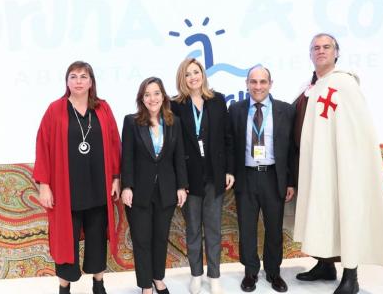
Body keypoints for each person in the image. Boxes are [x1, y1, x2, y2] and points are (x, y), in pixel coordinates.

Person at [292, 33, 383, 294]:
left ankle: (351, 277)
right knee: (322, 214)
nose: (321, 51)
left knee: (345, 213)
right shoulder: (312, 85)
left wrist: (349, 163)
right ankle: (325, 265)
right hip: (318, 165)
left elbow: (358, 128)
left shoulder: (344, 84)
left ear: (336, 53)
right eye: (315, 47)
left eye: (326, 47)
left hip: (341, 164)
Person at [33, 61, 121, 294]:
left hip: (98, 189)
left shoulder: (103, 108)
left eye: (84, 76)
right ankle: (64, 286)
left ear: (91, 82)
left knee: (97, 239)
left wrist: (115, 177)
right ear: (67, 82)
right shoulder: (55, 109)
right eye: (73, 76)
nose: (79, 81)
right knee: (65, 241)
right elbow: (43, 146)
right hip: (66, 192)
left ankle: (98, 283)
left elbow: (114, 144)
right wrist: (44, 184)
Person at [227, 65, 295, 293]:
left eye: (262, 82)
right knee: (246, 229)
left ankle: (274, 272)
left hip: (273, 176)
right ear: (247, 84)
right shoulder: (235, 109)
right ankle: (250, 272)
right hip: (246, 177)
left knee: (274, 229)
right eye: (253, 82)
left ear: (270, 84)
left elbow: (292, 150)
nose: (258, 86)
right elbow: (229, 145)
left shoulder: (285, 110)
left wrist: (291, 182)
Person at [170, 58, 233, 294]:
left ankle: (214, 276)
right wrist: (180, 181)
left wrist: (229, 170)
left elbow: (227, 139)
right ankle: (196, 274)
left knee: (214, 229)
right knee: (193, 229)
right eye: (187, 74)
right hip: (189, 180)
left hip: (215, 177)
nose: (193, 77)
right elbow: (174, 147)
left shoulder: (217, 100)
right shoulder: (175, 105)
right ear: (182, 79)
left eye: (196, 72)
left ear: (203, 75)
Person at [121, 77, 188, 294]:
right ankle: (145, 286)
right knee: (142, 240)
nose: (152, 98)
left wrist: (181, 186)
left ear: (163, 96)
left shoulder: (173, 122)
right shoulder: (131, 122)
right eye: (147, 94)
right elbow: (127, 157)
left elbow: (179, 157)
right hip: (139, 192)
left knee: (160, 238)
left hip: (166, 191)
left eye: (156, 93)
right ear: (142, 98)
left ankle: (158, 278)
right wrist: (127, 186)